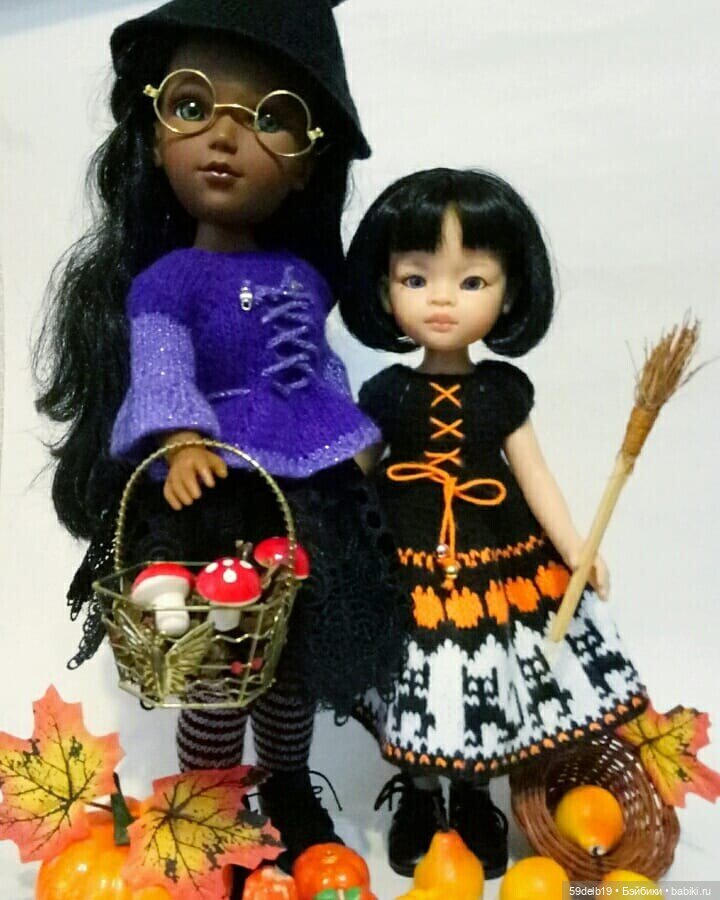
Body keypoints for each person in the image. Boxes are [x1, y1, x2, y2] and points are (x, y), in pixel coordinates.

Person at [34, 0, 405, 870]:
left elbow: (318, 368)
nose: (226, 138)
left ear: (308, 164)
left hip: (303, 492)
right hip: (214, 495)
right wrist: (179, 440)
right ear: (154, 134)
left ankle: (287, 784)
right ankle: (210, 798)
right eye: (193, 107)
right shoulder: (167, 281)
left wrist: (353, 437)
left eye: (270, 118)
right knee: (217, 659)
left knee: (291, 659)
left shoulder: (304, 277)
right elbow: (162, 365)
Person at [339, 168, 647, 878]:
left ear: (509, 293)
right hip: (405, 561)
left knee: (481, 673)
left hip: (493, 559)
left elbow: (534, 474)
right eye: (416, 279)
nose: (442, 298)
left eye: (472, 280)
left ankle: (475, 796)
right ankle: (421, 794)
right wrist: (326, 536)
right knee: (415, 675)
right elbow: (353, 472)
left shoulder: (503, 392)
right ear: (384, 290)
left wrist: (575, 546)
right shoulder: (387, 392)